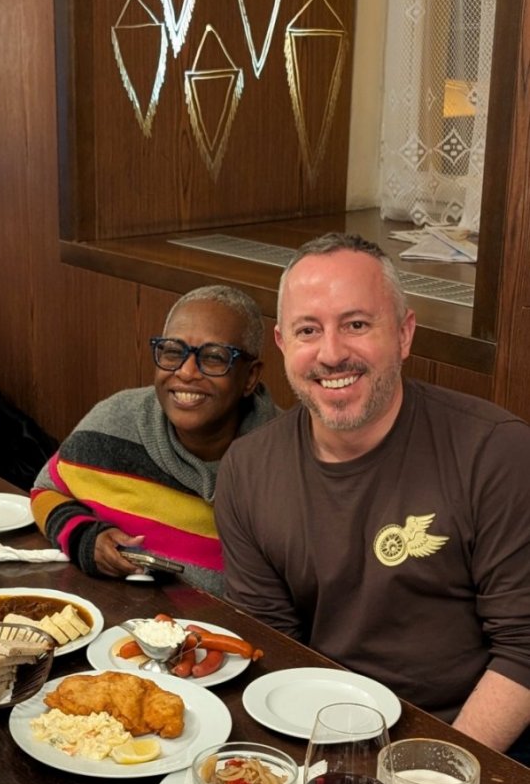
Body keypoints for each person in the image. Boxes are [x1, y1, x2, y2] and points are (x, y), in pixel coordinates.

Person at [215, 232, 530, 753]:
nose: (332, 353)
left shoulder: (496, 452)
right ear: (282, 344)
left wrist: (429, 776)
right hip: (319, 732)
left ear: (404, 335)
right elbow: (272, 648)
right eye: (308, 330)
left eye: (357, 324)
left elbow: (523, 651)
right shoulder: (247, 470)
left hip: (470, 739)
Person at [31, 285, 277, 594]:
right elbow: (45, 491)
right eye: (173, 352)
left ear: (251, 377)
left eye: (214, 358)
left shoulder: (287, 458)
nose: (186, 372)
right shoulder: (113, 422)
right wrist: (85, 538)